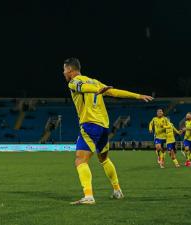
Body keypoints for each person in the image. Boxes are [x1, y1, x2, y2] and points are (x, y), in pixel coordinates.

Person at [63, 57, 153, 205]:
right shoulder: (95, 81)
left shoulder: (75, 82)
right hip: (104, 126)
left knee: (80, 160)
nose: (63, 73)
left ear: (70, 70)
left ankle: (88, 196)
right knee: (104, 159)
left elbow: (83, 88)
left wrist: (98, 91)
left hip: (90, 125)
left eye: (64, 70)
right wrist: (137, 96)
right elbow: (115, 92)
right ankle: (117, 190)